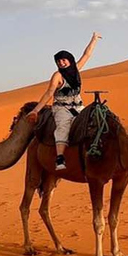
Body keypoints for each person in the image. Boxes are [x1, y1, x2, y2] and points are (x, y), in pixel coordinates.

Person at [26, 32, 101, 170]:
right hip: (62, 108)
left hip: (78, 107)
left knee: (93, 122)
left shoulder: (76, 70)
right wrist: (36, 110)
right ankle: (60, 158)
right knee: (63, 127)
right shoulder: (58, 76)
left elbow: (87, 55)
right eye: (59, 61)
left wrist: (94, 39)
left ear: (70, 60)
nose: (61, 62)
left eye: (63, 60)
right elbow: (49, 92)